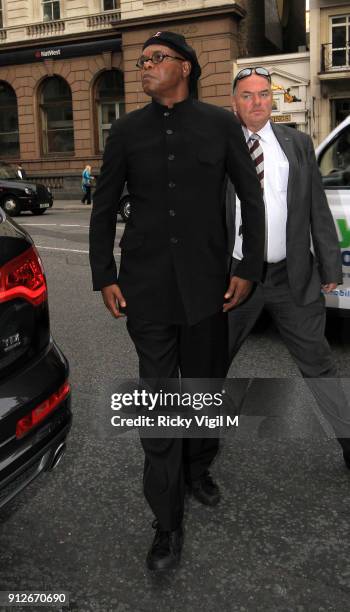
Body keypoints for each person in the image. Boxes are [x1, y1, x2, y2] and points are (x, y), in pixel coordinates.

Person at [89, 32, 265, 571]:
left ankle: (199, 468)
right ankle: (166, 523)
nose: (144, 67)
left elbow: (251, 199)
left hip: (210, 287)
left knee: (205, 388)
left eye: (155, 60)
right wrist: (105, 275)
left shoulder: (219, 124)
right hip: (146, 290)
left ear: (185, 68)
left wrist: (248, 269)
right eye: (141, 62)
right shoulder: (125, 130)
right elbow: (104, 205)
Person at [226, 66, 350, 465]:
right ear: (235, 102)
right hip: (235, 279)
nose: (257, 102)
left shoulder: (296, 143)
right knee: (208, 363)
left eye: (263, 94)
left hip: (291, 275)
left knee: (319, 365)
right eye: (247, 95)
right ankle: (192, 452)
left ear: (272, 99)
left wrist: (330, 266)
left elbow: (316, 206)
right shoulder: (219, 147)